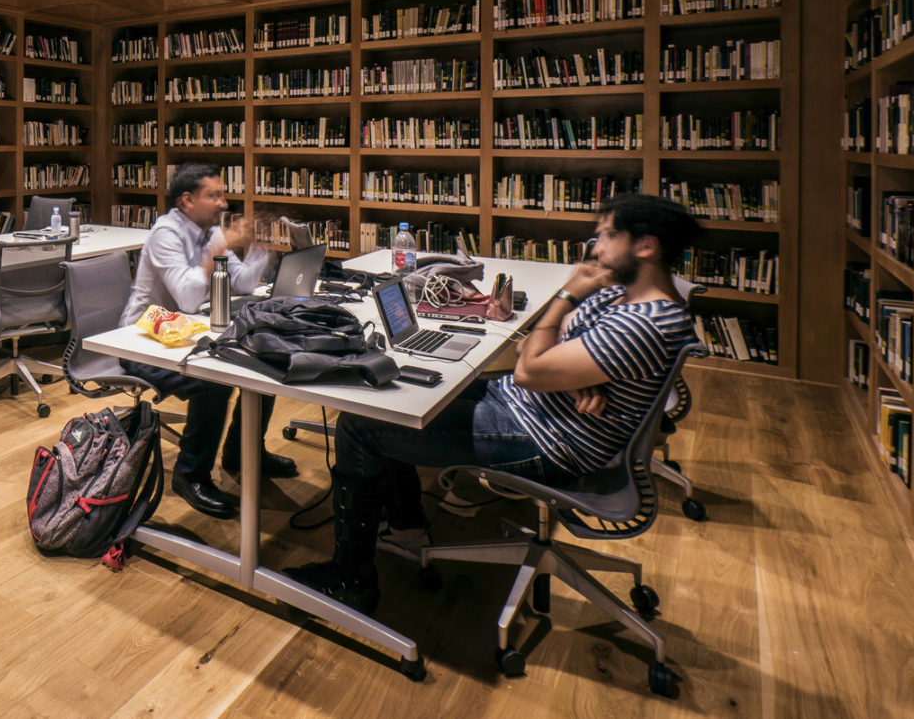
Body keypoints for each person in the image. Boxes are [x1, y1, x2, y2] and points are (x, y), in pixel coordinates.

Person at [286, 193, 700, 613]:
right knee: (400, 397)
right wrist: (568, 372)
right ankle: (406, 527)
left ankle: (350, 578)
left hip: (547, 440)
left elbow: (530, 365)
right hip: (529, 406)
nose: (596, 249)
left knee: (358, 427)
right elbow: (533, 352)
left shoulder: (643, 322)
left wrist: (567, 299)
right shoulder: (623, 296)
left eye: (609, 236)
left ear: (646, 246)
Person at [120, 162, 297, 520]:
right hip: (140, 340)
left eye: (223, 194)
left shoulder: (209, 233)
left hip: (185, 333)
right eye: (214, 196)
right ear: (187, 200)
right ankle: (190, 475)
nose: (223, 204)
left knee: (263, 360)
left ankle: (243, 452)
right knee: (212, 383)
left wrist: (260, 246)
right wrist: (215, 251)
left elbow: (245, 283)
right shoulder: (165, 234)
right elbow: (186, 297)